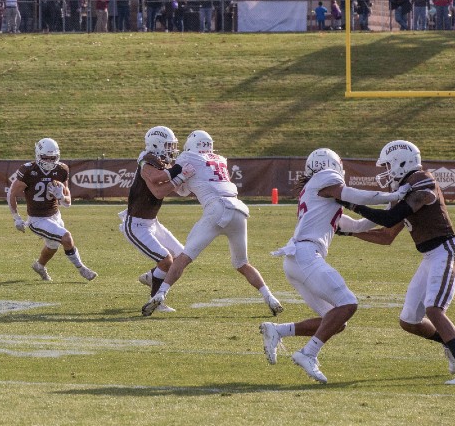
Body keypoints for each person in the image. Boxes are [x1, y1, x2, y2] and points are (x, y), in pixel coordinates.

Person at [261, 148, 411, 383]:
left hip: (296, 260)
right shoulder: (325, 179)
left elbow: (358, 226)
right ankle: (307, 353)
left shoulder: (319, 196)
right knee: (348, 303)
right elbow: (355, 196)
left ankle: (278, 331)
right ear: (330, 164)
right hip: (306, 255)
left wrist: (395, 209)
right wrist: (394, 196)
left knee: (336, 321)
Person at [336, 140, 455, 384]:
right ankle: (453, 339)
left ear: (402, 162)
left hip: (446, 250)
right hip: (430, 256)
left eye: (388, 166)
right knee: (410, 321)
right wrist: (350, 232)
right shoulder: (405, 191)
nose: (385, 172)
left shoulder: (422, 180)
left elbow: (391, 217)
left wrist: (350, 203)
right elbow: (386, 235)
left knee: (434, 309)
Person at [141, 130, 282, 317]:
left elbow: (180, 189)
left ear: (191, 145)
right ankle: (270, 298)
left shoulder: (187, 157)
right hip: (238, 209)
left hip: (216, 208)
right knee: (242, 263)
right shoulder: (221, 159)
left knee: (183, 258)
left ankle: (159, 295)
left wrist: (180, 177)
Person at [9, 138, 97, 282]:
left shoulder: (61, 169)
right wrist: (16, 217)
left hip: (55, 215)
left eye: (53, 158)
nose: (50, 161)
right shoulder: (28, 170)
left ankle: (39, 266)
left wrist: (61, 196)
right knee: (66, 238)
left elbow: (68, 203)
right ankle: (82, 269)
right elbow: (11, 193)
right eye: (46, 158)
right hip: (37, 219)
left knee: (52, 246)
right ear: (38, 155)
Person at [120, 127, 185, 313]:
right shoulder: (147, 160)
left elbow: (164, 186)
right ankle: (156, 301)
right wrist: (179, 173)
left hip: (152, 222)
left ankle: (152, 277)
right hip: (137, 224)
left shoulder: (159, 161)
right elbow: (157, 183)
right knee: (166, 261)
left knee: (181, 257)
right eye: (168, 145)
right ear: (156, 144)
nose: (171, 149)